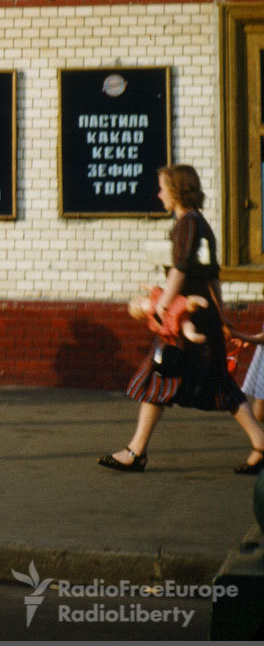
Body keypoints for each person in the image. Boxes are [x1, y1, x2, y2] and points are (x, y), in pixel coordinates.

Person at [99, 165, 264, 475]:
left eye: (163, 188)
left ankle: (136, 452)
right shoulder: (201, 223)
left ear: (176, 191)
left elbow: (180, 268)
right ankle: (260, 441)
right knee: (214, 382)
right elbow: (213, 276)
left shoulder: (187, 223)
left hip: (185, 320)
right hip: (202, 317)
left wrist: (161, 307)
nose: (159, 194)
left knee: (160, 376)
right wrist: (222, 315)